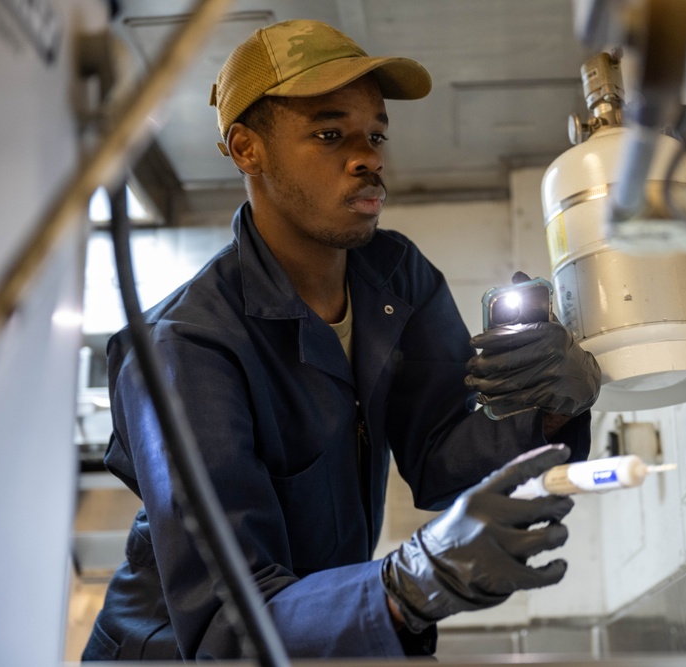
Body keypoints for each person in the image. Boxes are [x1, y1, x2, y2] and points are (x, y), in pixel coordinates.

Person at [82, 19, 601, 661]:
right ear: (247, 149)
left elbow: (443, 460)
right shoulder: (184, 348)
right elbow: (226, 621)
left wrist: (552, 403)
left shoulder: (396, 277)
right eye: (330, 133)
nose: (369, 157)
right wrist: (408, 580)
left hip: (314, 636)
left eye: (375, 133)